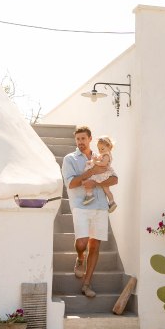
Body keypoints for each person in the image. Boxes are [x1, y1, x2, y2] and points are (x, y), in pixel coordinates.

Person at [62, 125, 118, 298]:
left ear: (90, 139)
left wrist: (96, 183)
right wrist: (92, 172)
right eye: (77, 139)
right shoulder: (69, 159)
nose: (80, 142)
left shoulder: (101, 156)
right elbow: (71, 184)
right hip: (80, 204)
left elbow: (114, 179)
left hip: (100, 205)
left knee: (95, 245)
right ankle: (80, 258)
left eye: (83, 138)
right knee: (82, 242)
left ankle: (87, 284)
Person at [82, 136, 117, 212]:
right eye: (99, 149)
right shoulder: (104, 154)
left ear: (108, 147)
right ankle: (111, 202)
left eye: (102, 149)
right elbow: (99, 161)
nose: (100, 150)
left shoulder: (107, 155)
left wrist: (94, 162)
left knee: (90, 179)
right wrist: (93, 160)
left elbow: (103, 163)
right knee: (106, 189)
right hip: (103, 173)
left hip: (103, 173)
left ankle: (89, 195)